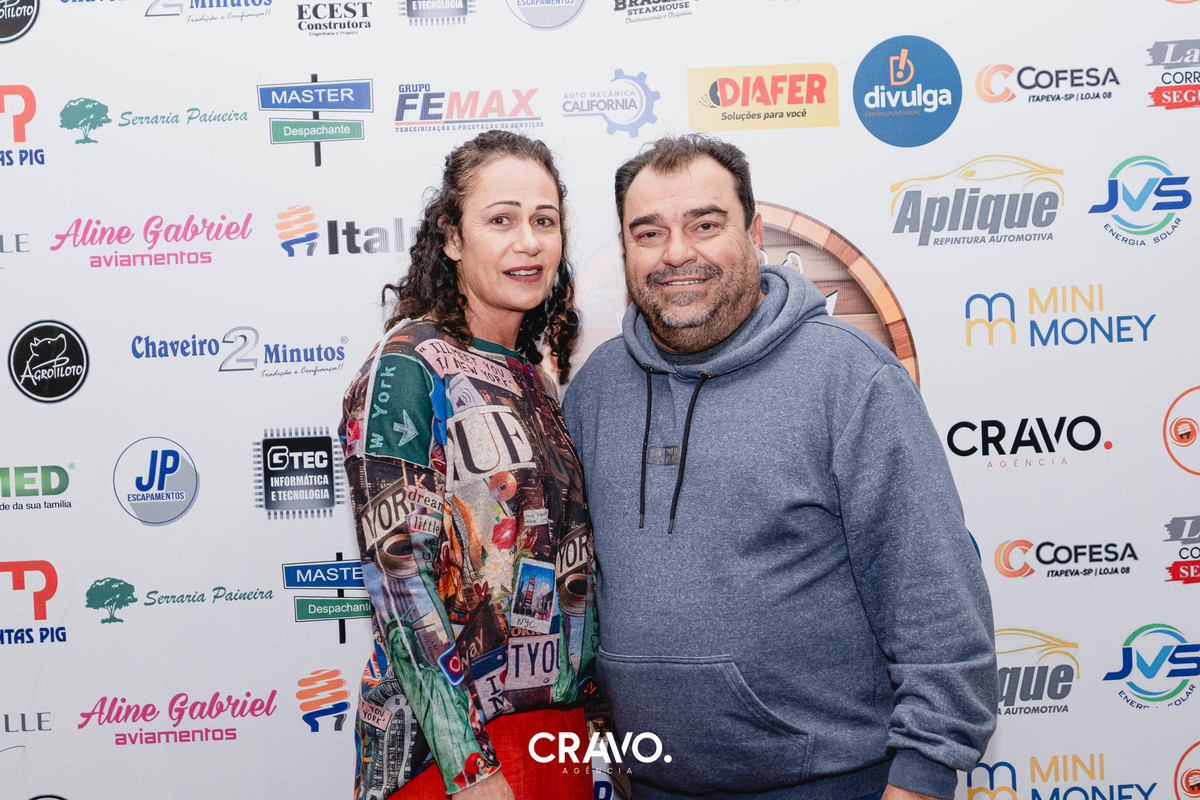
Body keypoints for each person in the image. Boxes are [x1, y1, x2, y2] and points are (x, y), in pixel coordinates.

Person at [562, 135, 997, 800]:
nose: (677, 253)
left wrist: (924, 775)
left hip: (831, 782)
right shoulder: (597, 388)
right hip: (649, 780)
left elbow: (936, 604)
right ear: (626, 252)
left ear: (754, 234)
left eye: (705, 225)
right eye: (649, 233)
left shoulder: (849, 377)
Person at [339, 130, 598, 800]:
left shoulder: (534, 377)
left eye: (545, 221)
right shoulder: (408, 365)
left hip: (555, 736)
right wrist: (469, 769)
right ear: (453, 238)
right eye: (501, 220)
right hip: (456, 755)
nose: (528, 241)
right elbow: (400, 577)